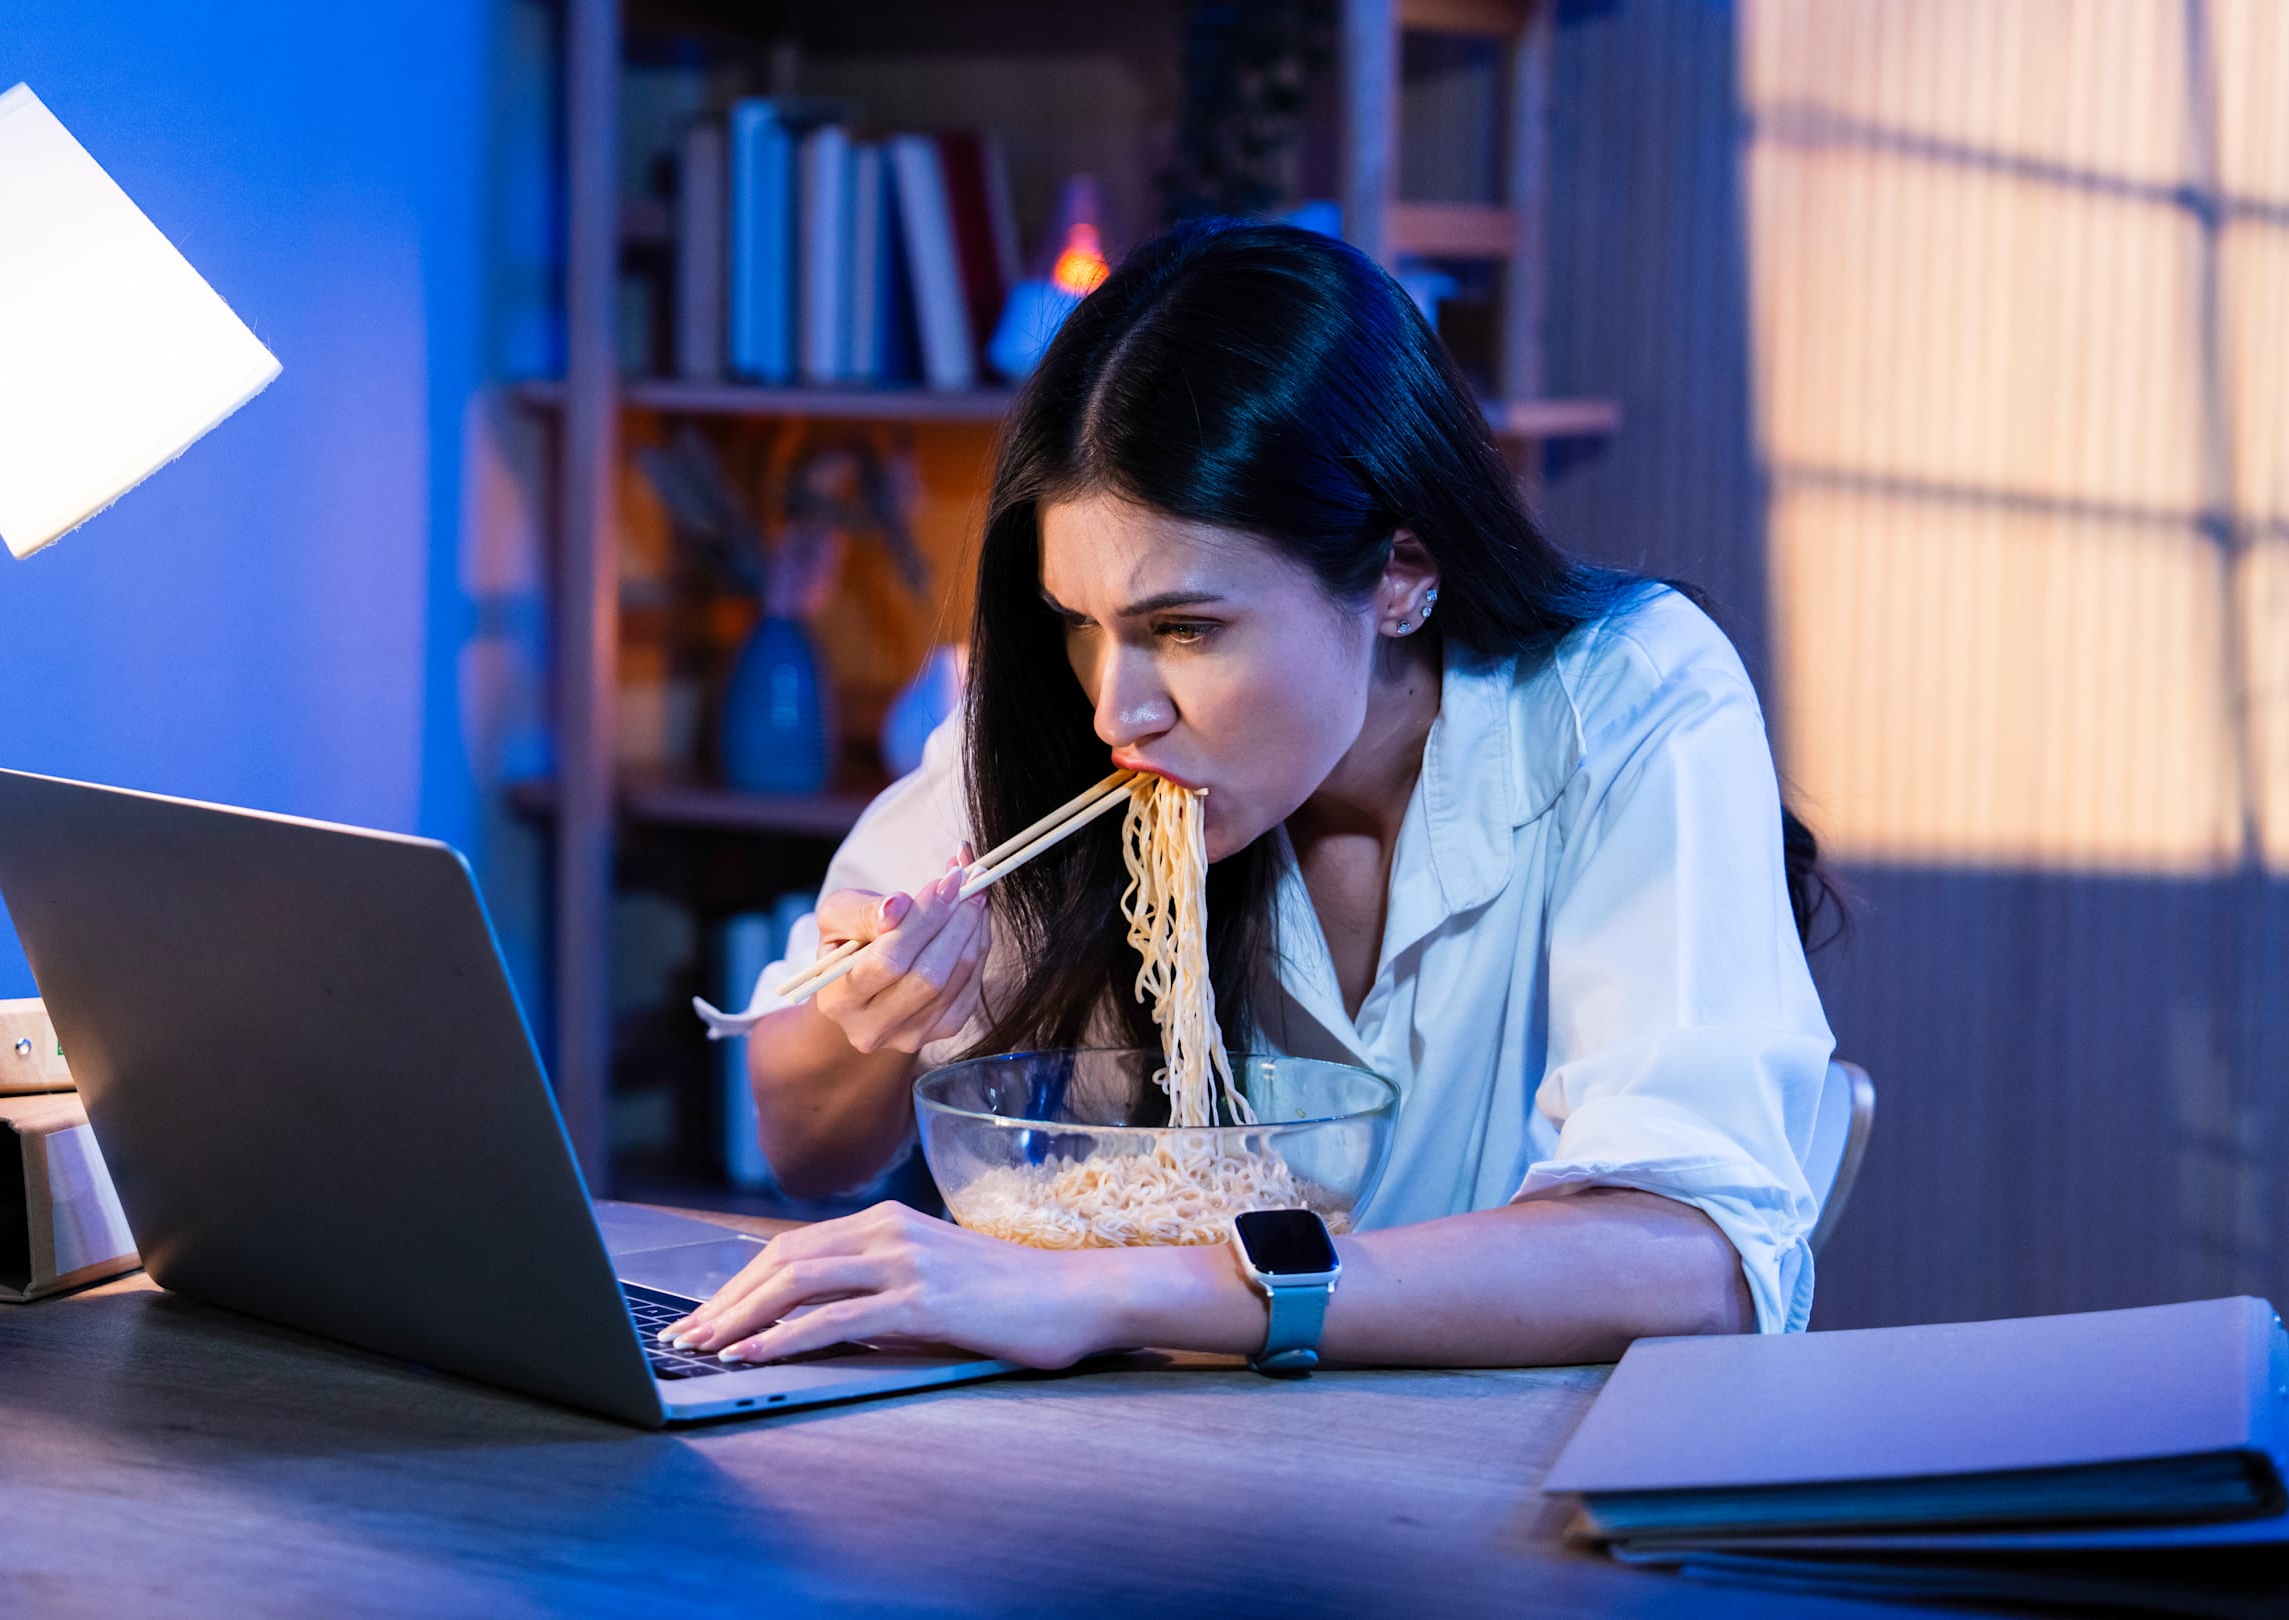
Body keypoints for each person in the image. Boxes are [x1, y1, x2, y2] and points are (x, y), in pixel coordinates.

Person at [669, 220, 1836, 1374]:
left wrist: (1114, 1290)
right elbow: (806, 1150)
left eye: (1186, 627)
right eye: (1080, 624)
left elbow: (1693, 1265)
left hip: (1499, 1466)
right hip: (1144, 1455)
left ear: (1401, 572)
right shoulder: (1059, 732)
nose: (1116, 709)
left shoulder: (1627, 696)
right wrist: (876, 1020)